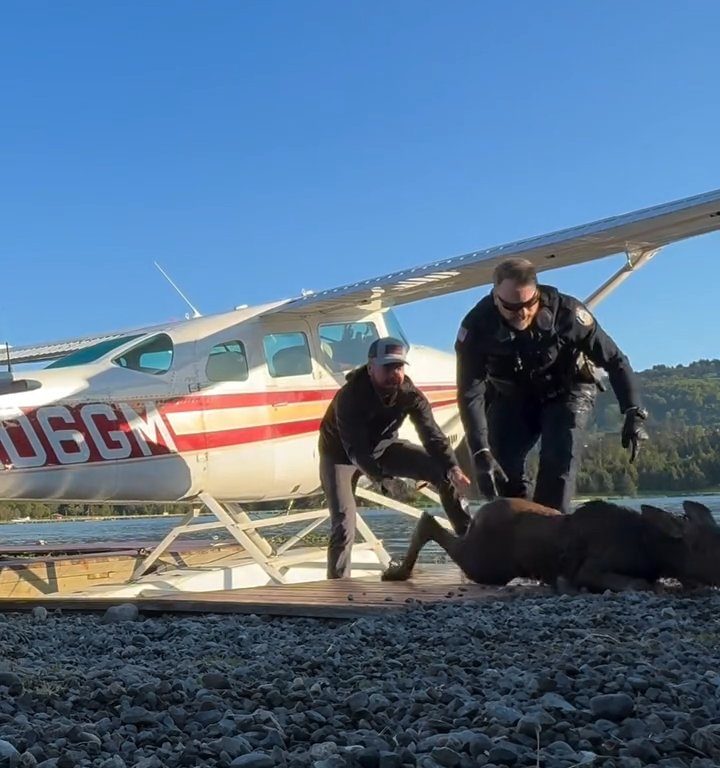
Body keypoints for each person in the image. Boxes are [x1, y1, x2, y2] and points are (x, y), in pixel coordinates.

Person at [455, 257, 648, 514]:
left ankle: (553, 532)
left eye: (528, 303)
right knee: (501, 470)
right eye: (511, 307)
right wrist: (480, 450)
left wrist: (633, 411)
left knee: (558, 465)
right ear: (495, 297)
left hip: (567, 391)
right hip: (513, 396)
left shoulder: (568, 314)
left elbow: (615, 360)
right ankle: (518, 532)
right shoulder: (476, 328)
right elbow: (470, 392)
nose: (522, 313)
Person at [318, 336, 472, 579]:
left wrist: (453, 468)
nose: (394, 373)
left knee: (443, 473)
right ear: (370, 368)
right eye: (387, 367)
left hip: (385, 447)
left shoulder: (410, 395)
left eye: (399, 367)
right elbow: (356, 449)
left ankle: (471, 548)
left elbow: (432, 434)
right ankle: (338, 584)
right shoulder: (350, 397)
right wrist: (383, 480)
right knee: (344, 522)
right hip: (341, 456)